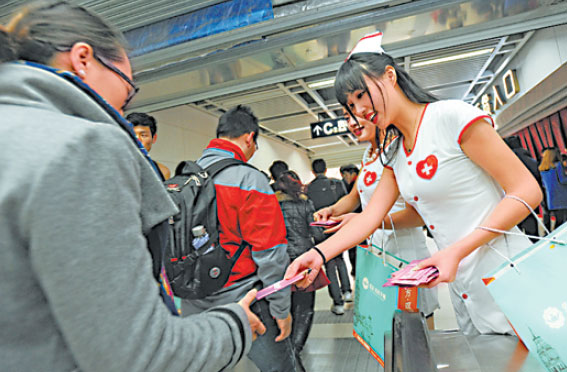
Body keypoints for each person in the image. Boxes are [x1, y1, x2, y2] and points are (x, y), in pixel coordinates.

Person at [0, 2, 265, 371]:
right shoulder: (81, 147)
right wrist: (234, 325)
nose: (122, 110)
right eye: (128, 91)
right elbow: (141, 356)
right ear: (82, 59)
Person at [286, 31, 542, 336]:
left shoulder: (451, 117)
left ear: (390, 76)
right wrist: (317, 255)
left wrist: (457, 251)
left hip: (506, 272)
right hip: (461, 284)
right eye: (350, 105)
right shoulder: (394, 152)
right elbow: (369, 218)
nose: (359, 110)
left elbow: (527, 190)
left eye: (360, 95)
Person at [180, 105, 298, 372]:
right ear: (249, 138)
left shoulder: (185, 180)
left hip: (192, 304)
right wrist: (281, 309)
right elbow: (271, 253)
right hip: (245, 301)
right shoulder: (249, 179)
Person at [319, 115, 439, 328]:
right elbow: (354, 197)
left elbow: (418, 214)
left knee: (418, 327)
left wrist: (369, 221)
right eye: (348, 115)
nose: (352, 123)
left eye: (357, 113)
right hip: (379, 255)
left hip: (406, 255)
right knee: (390, 325)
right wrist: (331, 210)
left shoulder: (398, 152)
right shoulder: (368, 156)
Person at [275, 170, 326, 372]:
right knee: (305, 308)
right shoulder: (306, 204)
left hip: (281, 260)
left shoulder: (274, 205)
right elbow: (316, 233)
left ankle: (284, 345)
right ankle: (296, 347)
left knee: (284, 305)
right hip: (304, 260)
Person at [306, 158, 352, 315]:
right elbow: (347, 204)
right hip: (337, 228)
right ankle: (347, 291)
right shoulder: (337, 183)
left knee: (329, 265)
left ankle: (338, 302)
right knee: (341, 260)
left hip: (320, 232)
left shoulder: (309, 189)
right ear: (325, 169)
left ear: (313, 171)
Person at [504, 135, 545, 240]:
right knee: (531, 224)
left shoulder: (507, 158)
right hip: (528, 193)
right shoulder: (523, 155)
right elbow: (536, 171)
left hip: (513, 195)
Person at [126, 112, 171, 180]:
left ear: (154, 138)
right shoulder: (114, 167)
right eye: (132, 135)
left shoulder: (163, 171)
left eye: (143, 135)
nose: (138, 140)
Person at [338, 163, 362, 276]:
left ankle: (357, 270)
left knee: (357, 248)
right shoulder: (346, 185)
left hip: (360, 221)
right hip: (354, 222)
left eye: (344, 175)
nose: (344, 178)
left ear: (351, 173)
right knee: (354, 249)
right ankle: (356, 269)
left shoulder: (358, 184)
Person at [539, 147, 567, 228]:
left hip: (552, 200)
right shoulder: (558, 166)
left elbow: (544, 185)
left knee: (559, 223)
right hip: (562, 198)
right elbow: (562, 180)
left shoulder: (542, 169)